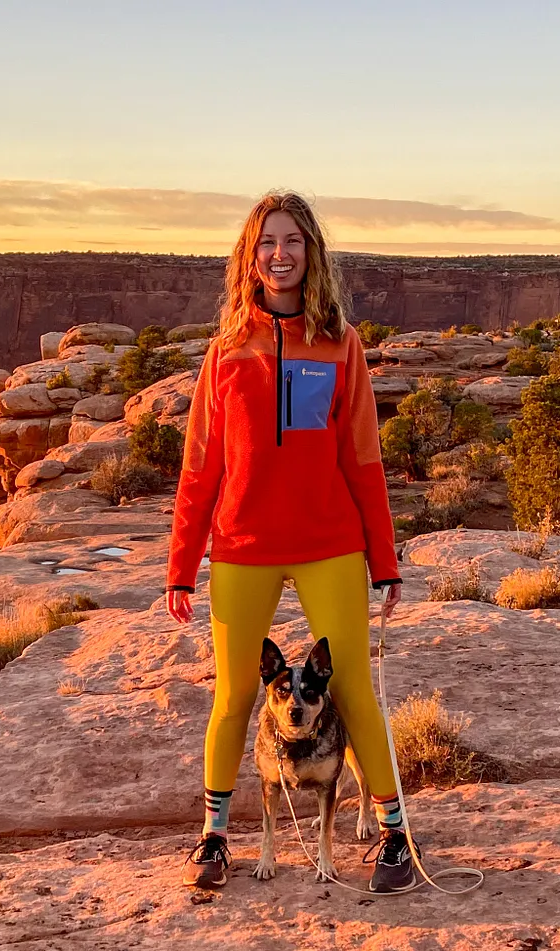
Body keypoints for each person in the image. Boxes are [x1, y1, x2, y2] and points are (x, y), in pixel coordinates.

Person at [167, 189, 414, 893]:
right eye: (268, 242)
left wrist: (384, 560)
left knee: (355, 692)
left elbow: (363, 460)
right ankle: (215, 837)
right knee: (234, 698)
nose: (281, 254)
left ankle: (396, 836)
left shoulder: (340, 344)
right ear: (250, 257)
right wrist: (182, 566)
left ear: (313, 254)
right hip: (243, 546)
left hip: (329, 542)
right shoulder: (227, 352)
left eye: (294, 242)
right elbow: (200, 466)